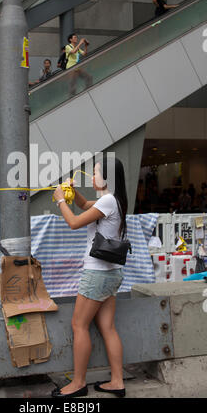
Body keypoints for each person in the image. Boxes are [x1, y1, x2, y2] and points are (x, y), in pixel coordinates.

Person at [51, 156, 127, 398]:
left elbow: (73, 222)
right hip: (112, 273)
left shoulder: (107, 201)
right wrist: (73, 193)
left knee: (79, 325)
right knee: (108, 327)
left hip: (96, 274)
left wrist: (60, 200)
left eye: (95, 173)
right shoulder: (114, 200)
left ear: (107, 178)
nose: (92, 177)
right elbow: (85, 207)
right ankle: (117, 382)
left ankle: (78, 383)